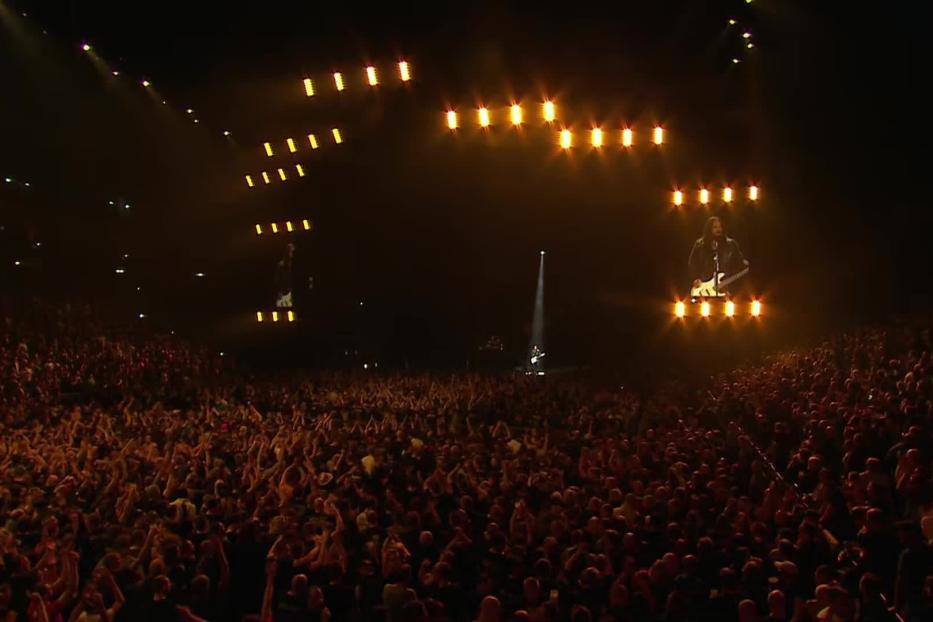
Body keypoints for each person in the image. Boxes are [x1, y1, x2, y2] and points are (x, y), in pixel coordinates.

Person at [688, 216, 748, 296]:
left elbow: (738, 262)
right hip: (704, 285)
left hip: (725, 288)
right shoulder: (700, 244)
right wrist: (695, 278)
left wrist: (744, 264)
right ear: (709, 229)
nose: (718, 229)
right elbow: (693, 263)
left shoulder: (731, 244)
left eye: (720, 227)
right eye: (715, 227)